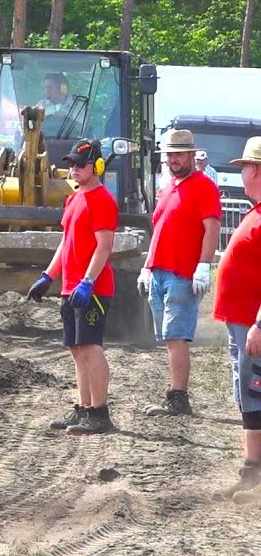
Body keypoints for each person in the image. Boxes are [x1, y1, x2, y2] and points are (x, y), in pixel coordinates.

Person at [28, 139, 119, 435]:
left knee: (91, 348)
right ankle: (84, 408)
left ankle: (100, 413)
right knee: (77, 349)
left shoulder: (103, 200)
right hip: (71, 287)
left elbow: (104, 246)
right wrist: (47, 277)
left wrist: (88, 281)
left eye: (81, 164)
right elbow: (65, 245)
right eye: (72, 164)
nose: (75, 169)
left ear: (98, 166)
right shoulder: (73, 199)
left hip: (92, 288)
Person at [138, 129, 221, 417]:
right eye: (170, 155)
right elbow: (159, 231)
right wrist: (148, 267)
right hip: (161, 271)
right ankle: (176, 391)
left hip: (182, 273)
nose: (173, 159)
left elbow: (212, 228)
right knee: (169, 337)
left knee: (176, 336)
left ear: (191, 155)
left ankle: (178, 397)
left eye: (178, 154)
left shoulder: (203, 187)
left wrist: (203, 265)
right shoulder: (168, 188)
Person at [210, 136, 261, 503]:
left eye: (243, 166)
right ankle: (251, 474)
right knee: (247, 397)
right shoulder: (254, 211)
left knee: (256, 397)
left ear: (255, 170)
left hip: (252, 324)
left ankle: (254, 476)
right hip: (242, 323)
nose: (240, 172)